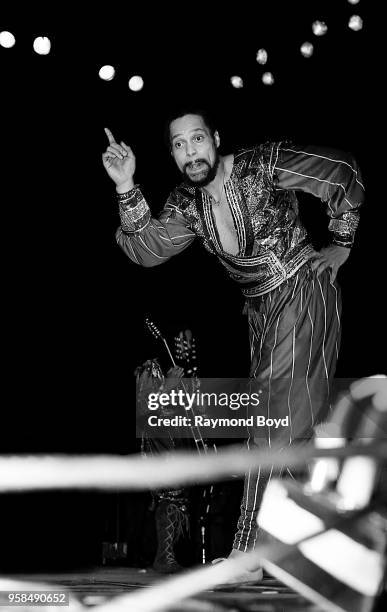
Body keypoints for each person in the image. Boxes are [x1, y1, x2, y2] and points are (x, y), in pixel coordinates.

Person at [102, 107, 364, 581]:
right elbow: (148, 249)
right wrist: (125, 185)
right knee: (296, 425)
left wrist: (342, 241)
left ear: (215, 138)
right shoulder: (188, 203)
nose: (189, 153)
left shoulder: (263, 164)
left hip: (303, 289)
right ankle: (310, 547)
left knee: (272, 417)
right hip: (260, 310)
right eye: (178, 145)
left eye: (197, 139)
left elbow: (340, 171)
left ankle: (249, 553)